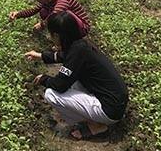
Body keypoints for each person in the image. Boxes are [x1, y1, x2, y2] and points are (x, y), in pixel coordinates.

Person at [25, 11, 128, 140]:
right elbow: (65, 57)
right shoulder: (80, 45)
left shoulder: (77, 51)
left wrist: (44, 79)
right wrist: (40, 56)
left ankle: (95, 125)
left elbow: (60, 85)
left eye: (51, 34)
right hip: (115, 102)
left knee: (51, 94)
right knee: (71, 79)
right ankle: (92, 116)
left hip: (109, 110)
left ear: (56, 35)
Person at [9, 0, 90, 35]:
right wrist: (18, 14)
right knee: (43, 11)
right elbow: (33, 10)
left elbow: (54, 15)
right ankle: (61, 39)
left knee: (62, 15)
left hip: (81, 28)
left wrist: (41, 25)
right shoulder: (47, 1)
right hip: (70, 25)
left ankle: (68, 42)